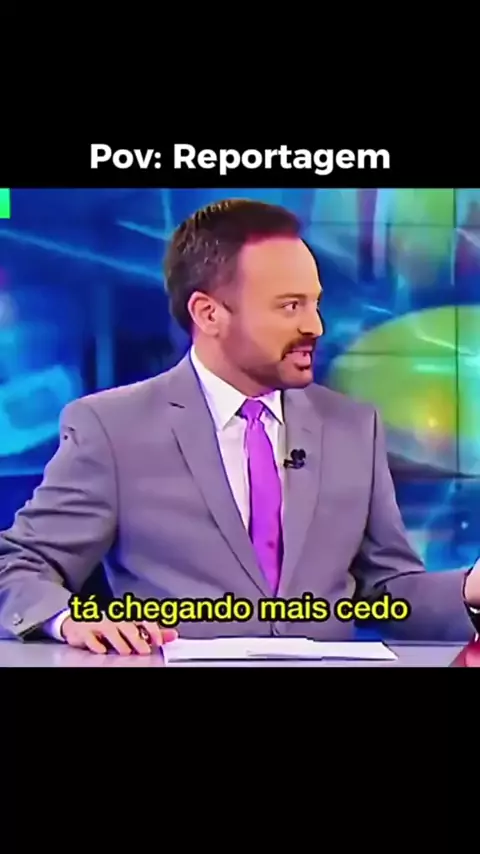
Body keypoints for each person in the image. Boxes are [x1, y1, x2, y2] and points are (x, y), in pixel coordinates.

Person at [0, 198, 479, 656]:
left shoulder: (352, 427)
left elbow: (391, 592)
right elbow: (17, 565)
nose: (315, 326)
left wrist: (469, 589)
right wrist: (69, 621)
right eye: (290, 306)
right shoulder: (113, 427)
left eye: (315, 303)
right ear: (208, 314)